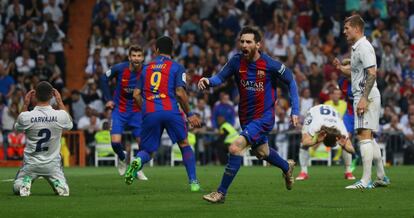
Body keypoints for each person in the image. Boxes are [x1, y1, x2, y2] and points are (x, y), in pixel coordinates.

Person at [198, 26, 299, 203]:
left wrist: (295, 110)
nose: (244, 44)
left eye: (248, 42)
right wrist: (208, 81)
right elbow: (219, 78)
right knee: (262, 152)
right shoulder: (236, 62)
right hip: (246, 117)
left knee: (235, 147)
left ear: (258, 44)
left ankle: (221, 193)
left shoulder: (271, 65)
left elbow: (291, 81)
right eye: (242, 41)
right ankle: (286, 166)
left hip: (264, 117)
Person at [127, 36, 202, 191]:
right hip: (170, 110)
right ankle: (193, 182)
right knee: (184, 144)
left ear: (156, 50)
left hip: (150, 111)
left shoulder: (146, 68)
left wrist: (146, 109)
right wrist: (190, 114)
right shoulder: (177, 67)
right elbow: (180, 93)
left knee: (147, 150)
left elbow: (135, 94)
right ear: (172, 51)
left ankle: (138, 162)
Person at [333, 14, 389, 189]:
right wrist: (341, 68)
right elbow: (358, 73)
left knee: (363, 136)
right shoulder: (357, 47)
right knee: (369, 137)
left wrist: (364, 98)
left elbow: (372, 73)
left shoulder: (364, 47)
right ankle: (381, 176)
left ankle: (365, 181)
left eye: (347, 28)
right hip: (366, 94)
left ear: (357, 28)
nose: (344, 32)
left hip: (366, 95)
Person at [13, 81, 73, 196]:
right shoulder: (60, 115)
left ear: (34, 96)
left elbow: (18, 128)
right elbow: (69, 125)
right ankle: (59, 184)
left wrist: (25, 104)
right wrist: (60, 102)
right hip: (52, 164)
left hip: (31, 163)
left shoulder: (26, 116)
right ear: (52, 95)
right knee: (64, 187)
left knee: (17, 186)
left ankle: (24, 184)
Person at [102, 45, 147, 180]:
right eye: (134, 55)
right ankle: (122, 158)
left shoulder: (147, 71)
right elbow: (103, 79)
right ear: (129, 57)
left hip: (137, 112)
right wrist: (108, 99)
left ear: (143, 58)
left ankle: (138, 168)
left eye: (139, 56)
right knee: (115, 143)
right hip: (119, 111)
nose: (136, 58)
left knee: (143, 145)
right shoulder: (120, 68)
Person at [296, 104, 355, 180]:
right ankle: (303, 172)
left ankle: (348, 172)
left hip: (334, 114)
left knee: (345, 143)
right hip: (314, 112)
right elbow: (304, 142)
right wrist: (316, 141)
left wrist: (344, 146)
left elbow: (352, 150)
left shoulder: (341, 129)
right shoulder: (316, 125)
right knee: (303, 144)